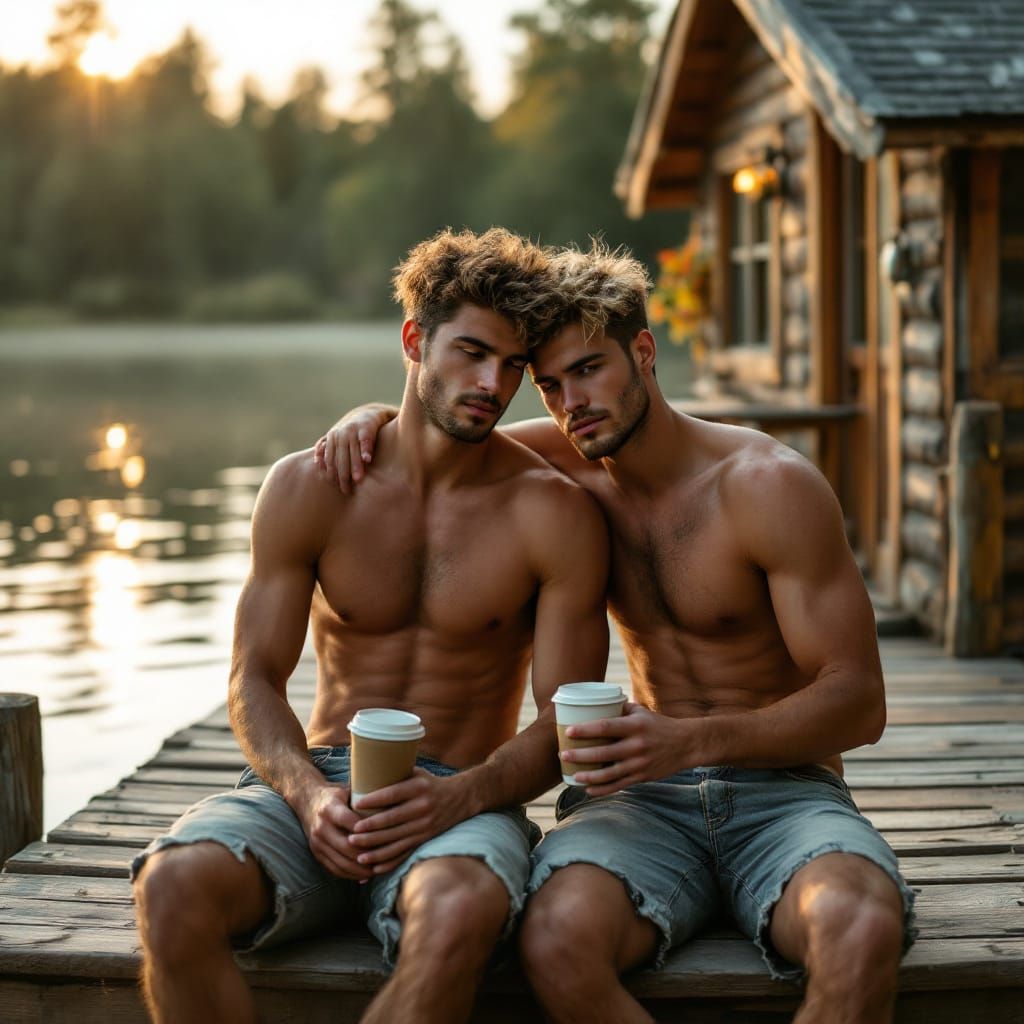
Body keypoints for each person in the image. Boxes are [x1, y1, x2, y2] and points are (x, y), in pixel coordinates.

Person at [315, 240, 917, 1023]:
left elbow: (860, 703)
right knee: (554, 939)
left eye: (590, 369)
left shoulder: (768, 486)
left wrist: (688, 741)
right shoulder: (564, 463)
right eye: (549, 384)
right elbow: (433, 437)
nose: (571, 402)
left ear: (644, 352)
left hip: (786, 793)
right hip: (641, 801)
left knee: (860, 928)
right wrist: (366, 418)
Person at [131, 228, 610, 1024]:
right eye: (471, 353)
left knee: (457, 911)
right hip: (319, 784)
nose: (492, 384)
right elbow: (253, 677)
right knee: (172, 886)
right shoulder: (310, 486)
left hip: (462, 797)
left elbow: (564, 719)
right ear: (414, 341)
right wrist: (307, 795)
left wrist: (458, 797)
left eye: (513, 366)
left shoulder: (551, 513)